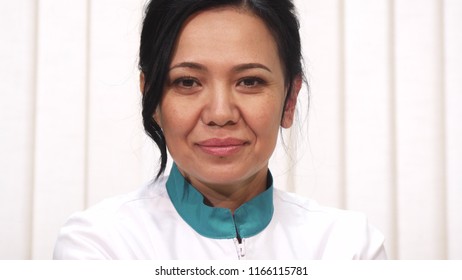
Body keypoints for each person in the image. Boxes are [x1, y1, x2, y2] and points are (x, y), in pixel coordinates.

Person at [53, 0, 386, 259]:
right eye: (187, 82)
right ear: (152, 99)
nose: (220, 114)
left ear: (289, 99)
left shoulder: (348, 247)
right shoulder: (100, 245)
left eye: (250, 81)